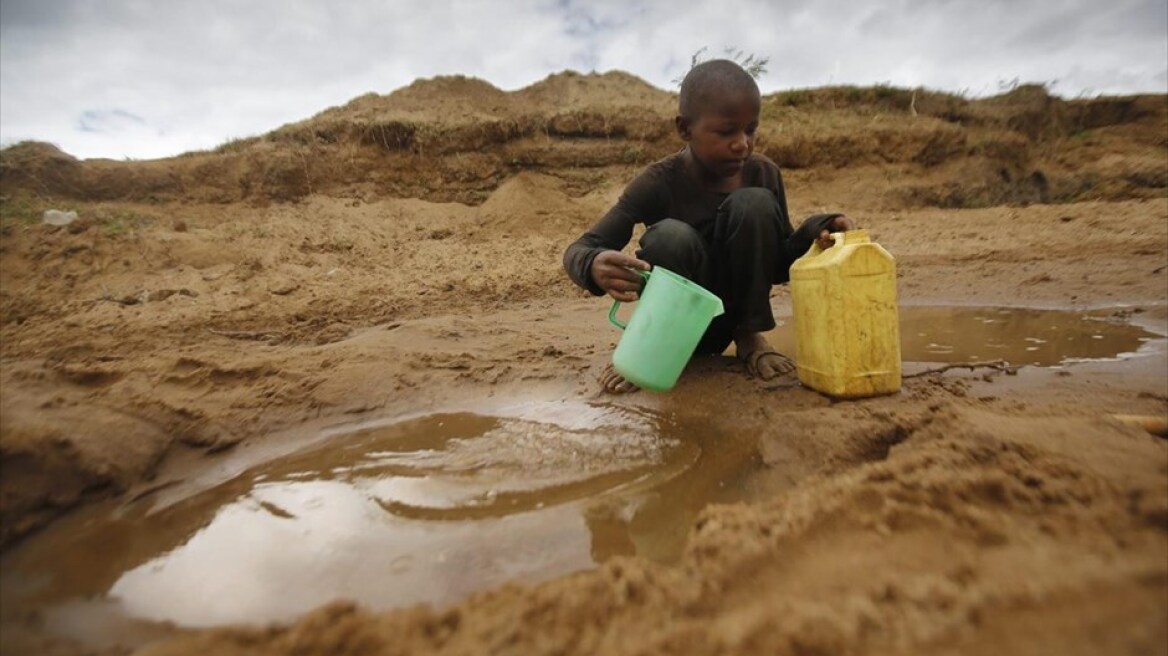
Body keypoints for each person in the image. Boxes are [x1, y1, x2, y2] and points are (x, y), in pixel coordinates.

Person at [562, 59, 857, 393]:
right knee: (670, 236)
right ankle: (657, 347)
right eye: (726, 131)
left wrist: (818, 229)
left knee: (754, 203)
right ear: (685, 129)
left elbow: (777, 265)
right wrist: (593, 265)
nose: (742, 143)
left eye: (751, 130)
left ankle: (751, 339)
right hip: (678, 321)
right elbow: (579, 249)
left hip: (736, 319)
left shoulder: (763, 174)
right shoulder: (657, 182)